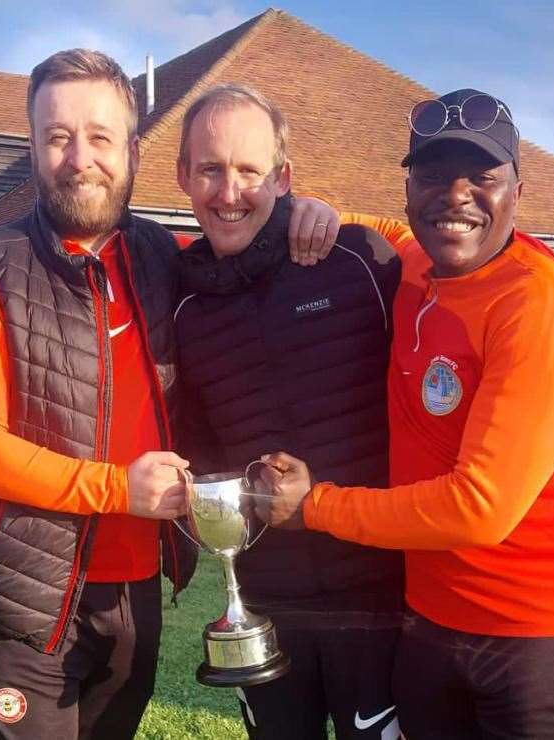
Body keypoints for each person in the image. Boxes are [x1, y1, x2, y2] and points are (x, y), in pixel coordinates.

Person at [0, 50, 336, 740]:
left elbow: (244, 231)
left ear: (133, 151)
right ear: (32, 147)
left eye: (99, 136)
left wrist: (309, 211)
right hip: (23, 602)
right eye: (57, 137)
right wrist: (116, 489)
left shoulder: (164, 257)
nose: (78, 157)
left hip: (133, 593)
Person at [257, 89, 554, 739]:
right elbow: (384, 230)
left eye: (482, 177)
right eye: (431, 176)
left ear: (518, 188)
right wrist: (310, 211)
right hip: (429, 622)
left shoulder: (540, 305)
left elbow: (477, 508)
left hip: (537, 633)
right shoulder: (417, 264)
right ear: (408, 187)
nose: (454, 195)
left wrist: (313, 506)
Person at [174, 84, 404, 740]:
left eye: (249, 171)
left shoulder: (360, 259)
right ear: (183, 175)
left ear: (283, 178)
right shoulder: (178, 298)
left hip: (380, 598)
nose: (228, 192)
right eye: (211, 169)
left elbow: (465, 263)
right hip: (264, 601)